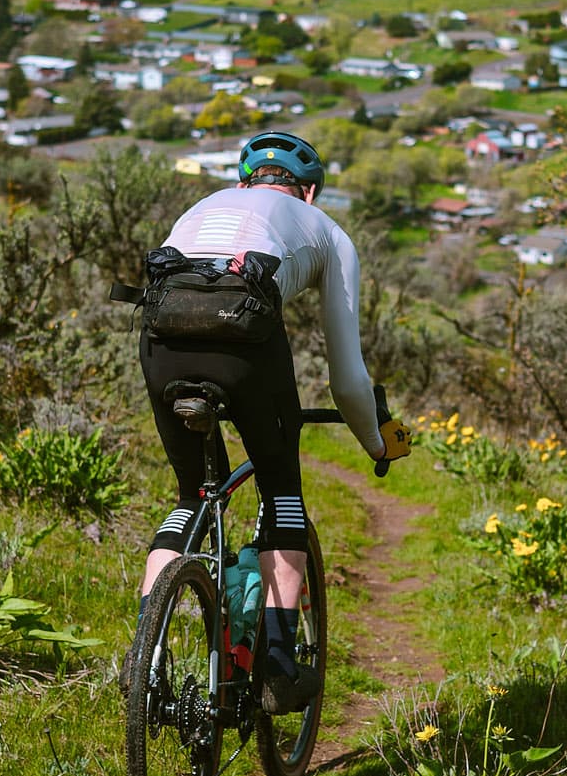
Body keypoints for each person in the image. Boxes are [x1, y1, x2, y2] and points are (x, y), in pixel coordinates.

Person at [130, 130, 394, 713]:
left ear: (244, 180)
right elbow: (347, 381)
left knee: (192, 495)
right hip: (246, 346)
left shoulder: (201, 207)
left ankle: (143, 666)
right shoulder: (325, 230)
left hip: (161, 342)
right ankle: (277, 662)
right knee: (281, 494)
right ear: (311, 190)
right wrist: (377, 444)